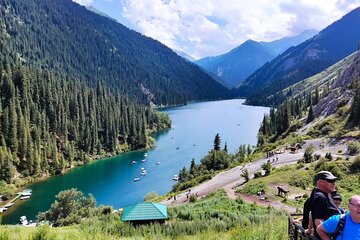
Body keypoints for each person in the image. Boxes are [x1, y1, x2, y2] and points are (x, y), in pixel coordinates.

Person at [310, 171, 341, 239]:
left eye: (334, 181)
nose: (333, 183)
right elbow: (319, 223)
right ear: (320, 182)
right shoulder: (319, 197)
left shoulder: (325, 195)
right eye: (330, 180)